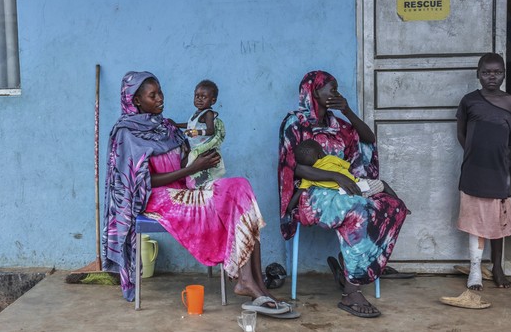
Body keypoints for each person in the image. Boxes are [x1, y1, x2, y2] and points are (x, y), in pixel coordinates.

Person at [102, 71, 285, 314]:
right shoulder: (126, 133)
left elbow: (188, 154)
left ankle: (255, 281)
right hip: (157, 198)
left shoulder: (164, 126)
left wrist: (203, 159)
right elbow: (142, 182)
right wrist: (193, 167)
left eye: (160, 92)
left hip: (183, 189)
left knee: (240, 187)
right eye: (152, 95)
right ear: (136, 100)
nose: (160, 99)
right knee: (225, 200)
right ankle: (248, 282)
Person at [278, 70, 409, 318]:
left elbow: (369, 139)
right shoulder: (295, 123)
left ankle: (354, 266)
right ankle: (351, 291)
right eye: (331, 88)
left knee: (393, 206)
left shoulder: (339, 125)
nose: (336, 93)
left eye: (337, 88)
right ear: (313, 92)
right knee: (358, 210)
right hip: (312, 193)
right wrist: (335, 176)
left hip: (345, 185)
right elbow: (293, 167)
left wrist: (347, 111)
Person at [456, 53, 511, 290]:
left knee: (498, 220)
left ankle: (497, 268)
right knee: (475, 221)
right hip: (474, 170)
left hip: (499, 171)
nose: (491, 77)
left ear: (504, 73)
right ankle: (475, 270)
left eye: (497, 72)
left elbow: (510, 137)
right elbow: (461, 133)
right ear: (478, 74)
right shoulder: (469, 101)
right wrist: (474, 154)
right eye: (486, 72)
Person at [290, 139, 390, 203]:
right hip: (356, 187)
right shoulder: (329, 159)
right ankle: (400, 203)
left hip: (340, 197)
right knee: (383, 184)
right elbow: (349, 168)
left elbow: (300, 192)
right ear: (320, 155)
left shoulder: (308, 177)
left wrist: (289, 209)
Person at [171, 79, 226, 189]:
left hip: (202, 148)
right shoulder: (197, 113)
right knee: (186, 165)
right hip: (194, 146)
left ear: (213, 100)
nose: (199, 99)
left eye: (204, 97)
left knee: (188, 165)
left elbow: (211, 131)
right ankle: (197, 186)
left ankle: (199, 187)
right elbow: (191, 125)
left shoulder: (208, 114)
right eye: (197, 96)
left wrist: (197, 132)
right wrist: (176, 125)